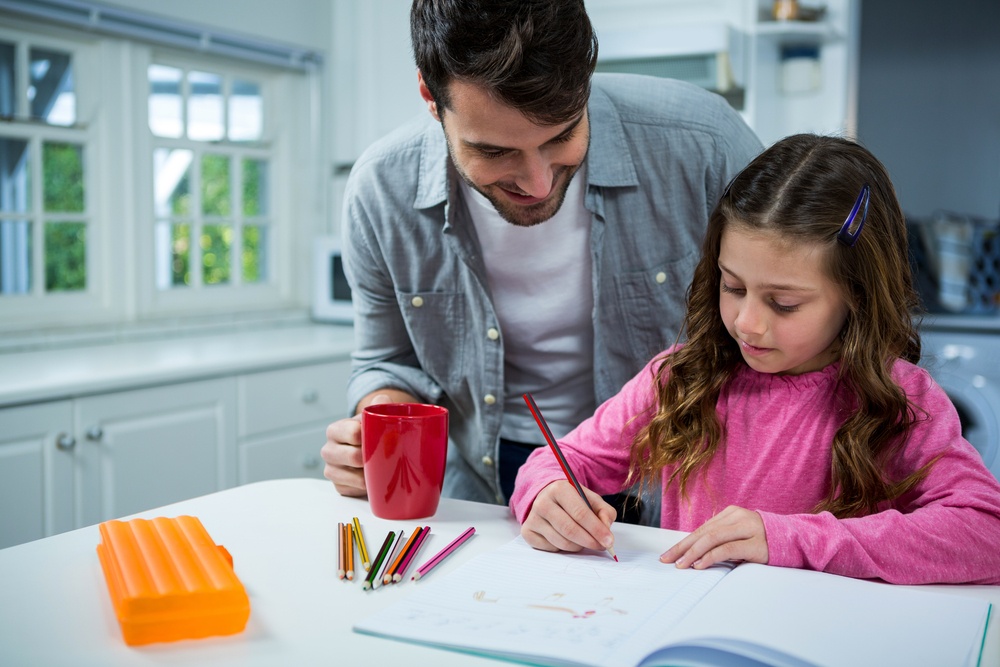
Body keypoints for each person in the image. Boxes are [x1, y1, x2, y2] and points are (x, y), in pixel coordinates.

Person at [320, 0, 762, 515]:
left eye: (562, 136)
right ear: (430, 97)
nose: (538, 182)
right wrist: (380, 422)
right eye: (494, 151)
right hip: (487, 475)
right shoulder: (381, 191)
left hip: (671, 470)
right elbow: (386, 360)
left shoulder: (705, 145)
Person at [510, 133, 1000, 585]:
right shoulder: (681, 378)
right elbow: (558, 461)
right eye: (733, 286)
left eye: (783, 304)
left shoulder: (900, 399)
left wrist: (790, 539)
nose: (747, 322)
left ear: (857, 295)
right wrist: (546, 495)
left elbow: (986, 535)